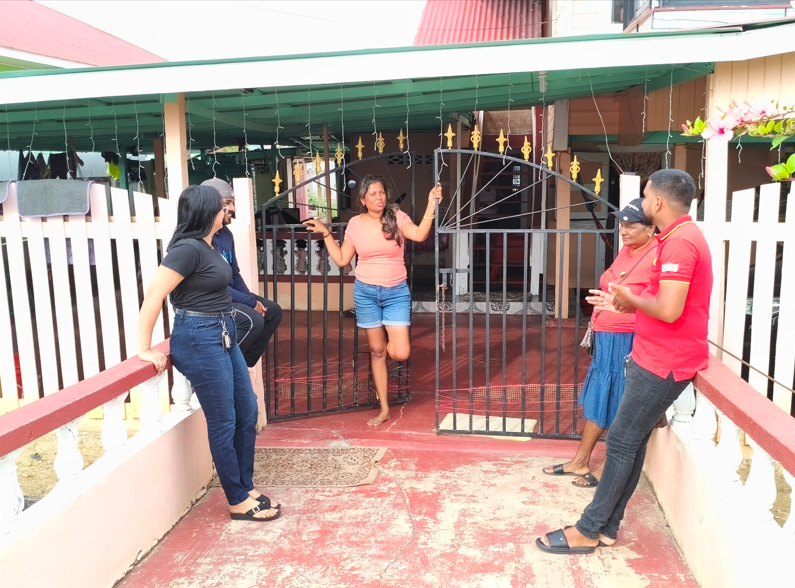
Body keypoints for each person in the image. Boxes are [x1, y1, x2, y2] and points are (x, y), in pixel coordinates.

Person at [537, 169, 712, 553]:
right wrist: (623, 302)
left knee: (619, 442)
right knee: (630, 443)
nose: (644, 202)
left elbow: (669, 309)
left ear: (658, 202)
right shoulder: (674, 238)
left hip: (665, 361)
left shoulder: (681, 243)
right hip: (654, 355)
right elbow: (657, 300)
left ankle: (588, 529)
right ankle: (608, 527)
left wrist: (628, 299)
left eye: (646, 196)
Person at [137, 185, 280, 522]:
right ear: (206, 212)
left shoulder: (211, 243)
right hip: (198, 336)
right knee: (224, 419)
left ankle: (245, 486)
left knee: (247, 408)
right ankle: (236, 499)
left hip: (222, 331)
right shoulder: (186, 249)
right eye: (221, 206)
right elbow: (154, 295)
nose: (225, 210)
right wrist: (144, 348)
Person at [303, 175, 442, 427]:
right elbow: (343, 260)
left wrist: (431, 205)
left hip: (396, 292)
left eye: (382, 192)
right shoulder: (354, 224)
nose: (379, 198)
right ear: (362, 200)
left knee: (400, 352)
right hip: (365, 293)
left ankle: (389, 337)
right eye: (373, 194)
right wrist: (326, 234)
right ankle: (384, 408)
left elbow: (420, 235)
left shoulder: (397, 217)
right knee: (377, 352)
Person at [543, 199, 657, 488]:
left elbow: (658, 305)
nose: (623, 230)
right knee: (600, 397)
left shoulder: (657, 255)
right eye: (622, 224)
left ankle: (608, 465)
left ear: (651, 228)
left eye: (631, 225)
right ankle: (581, 460)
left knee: (619, 401)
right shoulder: (628, 251)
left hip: (626, 338)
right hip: (606, 336)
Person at [201, 178, 283, 368]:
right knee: (253, 319)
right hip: (215, 297)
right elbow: (217, 284)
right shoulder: (203, 239)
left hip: (229, 293)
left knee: (272, 311)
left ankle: (242, 364)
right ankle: (222, 366)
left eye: (233, 202)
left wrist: (251, 300)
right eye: (228, 203)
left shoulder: (226, 234)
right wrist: (250, 303)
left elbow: (235, 273)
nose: (233, 208)